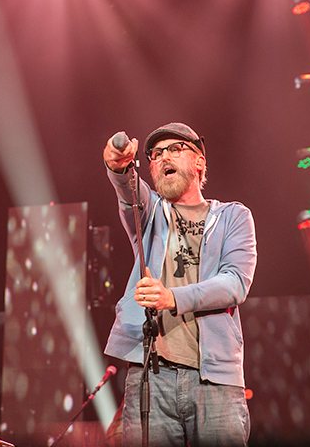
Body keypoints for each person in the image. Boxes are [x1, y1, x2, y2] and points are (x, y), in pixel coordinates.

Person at [101, 122, 257, 447]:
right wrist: (118, 167)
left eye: (175, 149)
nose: (163, 158)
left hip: (214, 380)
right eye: (156, 154)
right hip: (151, 376)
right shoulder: (150, 214)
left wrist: (171, 297)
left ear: (199, 161)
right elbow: (128, 189)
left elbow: (234, 283)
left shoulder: (233, 217)